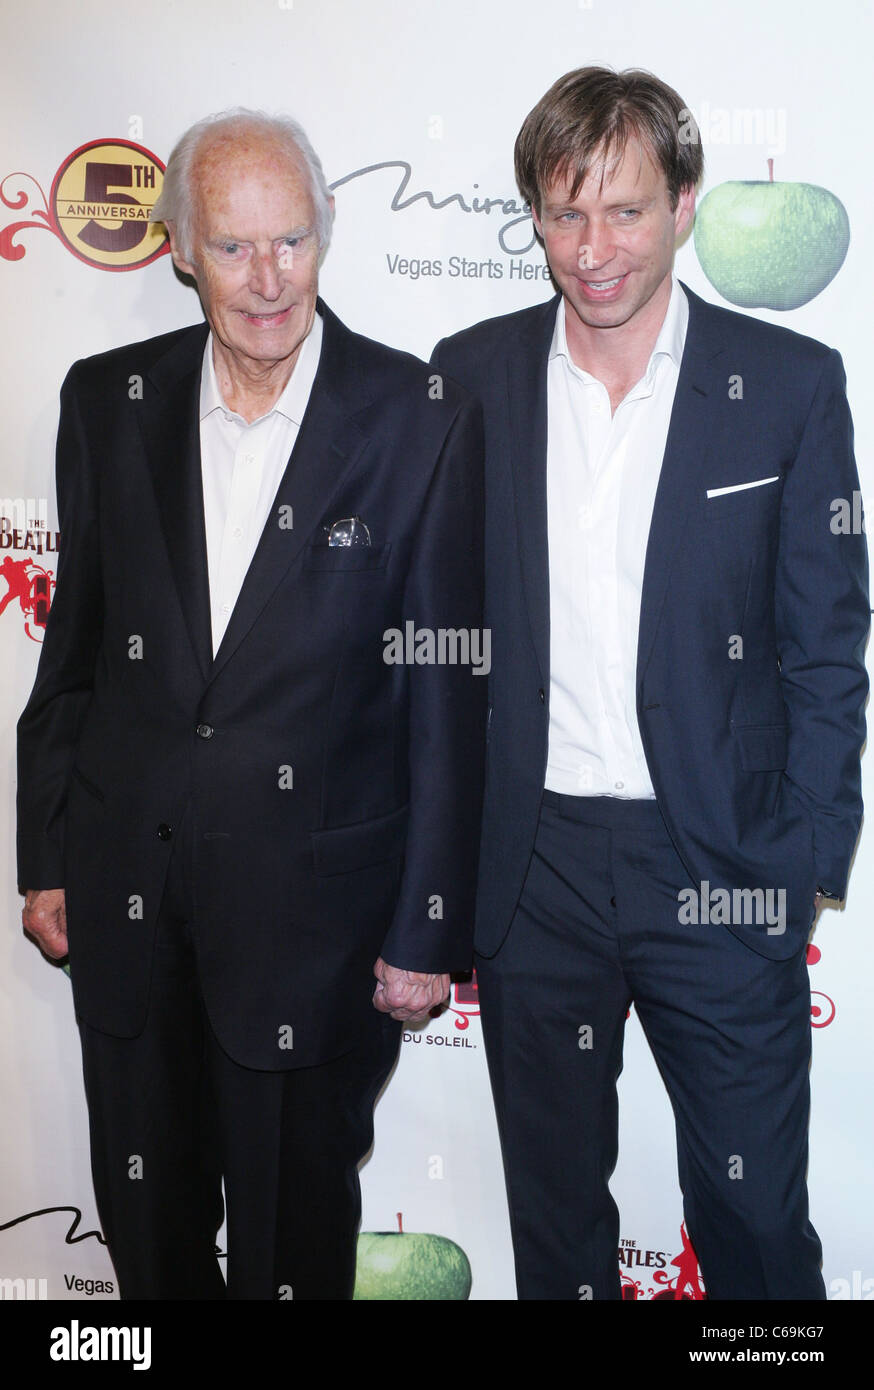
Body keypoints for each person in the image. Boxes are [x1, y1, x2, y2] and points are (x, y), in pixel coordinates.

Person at [17, 109, 485, 1300]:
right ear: (178, 247)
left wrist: (426, 927)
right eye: (232, 247)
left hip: (315, 931)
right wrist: (45, 851)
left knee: (291, 1246)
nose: (267, 280)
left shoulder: (418, 415)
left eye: (291, 242)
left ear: (325, 238)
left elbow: (443, 690)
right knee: (148, 1234)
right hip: (126, 900)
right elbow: (71, 652)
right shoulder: (106, 399)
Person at [432, 66, 868, 1300]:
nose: (592, 248)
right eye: (564, 214)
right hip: (537, 869)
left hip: (717, 865)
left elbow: (826, 644)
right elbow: (437, 641)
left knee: (753, 1224)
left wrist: (800, 861)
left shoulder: (787, 385)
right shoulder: (467, 374)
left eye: (623, 210)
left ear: (684, 203)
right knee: (556, 1227)